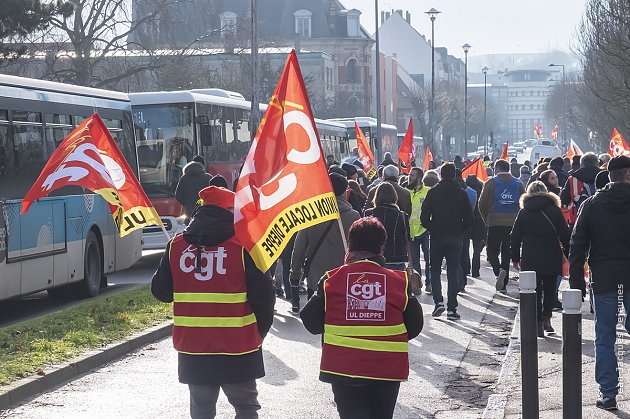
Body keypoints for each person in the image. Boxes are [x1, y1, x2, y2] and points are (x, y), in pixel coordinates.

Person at [151, 186, 275, 419]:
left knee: (202, 410)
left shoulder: (176, 246)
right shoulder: (245, 245)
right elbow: (265, 296)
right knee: (246, 406)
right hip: (238, 344)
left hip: (194, 346)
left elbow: (161, 292)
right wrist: (260, 333)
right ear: (228, 210)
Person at [300, 216, 424, 419]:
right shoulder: (398, 281)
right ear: (381, 247)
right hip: (386, 370)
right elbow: (415, 325)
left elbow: (311, 322)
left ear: (350, 244)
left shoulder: (331, 279)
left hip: (343, 370)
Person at [569, 155, 630, 411]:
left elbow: (577, 243)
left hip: (604, 277)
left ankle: (608, 393)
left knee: (604, 337)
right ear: (627, 175)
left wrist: (576, 282)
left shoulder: (592, 204)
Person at [289, 173, 360, 312]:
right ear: (345, 192)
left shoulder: (312, 215)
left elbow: (299, 248)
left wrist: (295, 275)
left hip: (316, 279)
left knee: (319, 322)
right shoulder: (354, 216)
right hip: (346, 280)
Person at [510, 181, 570, 337]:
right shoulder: (555, 210)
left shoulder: (524, 212)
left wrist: (515, 258)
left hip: (531, 256)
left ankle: (537, 322)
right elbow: (565, 234)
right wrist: (569, 255)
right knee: (550, 288)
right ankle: (547, 318)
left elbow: (515, 237)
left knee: (534, 290)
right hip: (552, 254)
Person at [420, 162, 473, 320]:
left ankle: (438, 302)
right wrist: (459, 228)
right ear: (454, 175)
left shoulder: (433, 193)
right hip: (455, 236)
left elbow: (424, 217)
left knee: (434, 269)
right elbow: (470, 218)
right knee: (452, 271)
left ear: (441, 175)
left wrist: (432, 227)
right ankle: (452, 308)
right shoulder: (461, 193)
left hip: (436, 236)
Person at [479, 159, 525, 293]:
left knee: (492, 251)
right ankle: (503, 285)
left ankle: (498, 270)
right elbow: (524, 202)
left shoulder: (490, 182)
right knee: (506, 253)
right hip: (513, 224)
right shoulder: (518, 183)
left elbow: (481, 204)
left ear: (497, 168)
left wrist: (487, 218)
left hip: (494, 223)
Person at [364, 182, 409, 270]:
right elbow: (406, 236)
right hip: (397, 256)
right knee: (396, 283)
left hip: (374, 256)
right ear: (394, 196)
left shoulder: (369, 213)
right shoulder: (402, 215)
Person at [407, 167, 431, 293]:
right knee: (414, 261)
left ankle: (429, 284)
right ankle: (417, 284)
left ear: (419, 178)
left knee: (429, 259)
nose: (409, 177)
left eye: (412, 175)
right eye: (409, 174)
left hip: (426, 231)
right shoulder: (405, 191)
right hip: (411, 232)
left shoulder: (428, 192)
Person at [560, 152, 599, 228]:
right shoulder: (604, 177)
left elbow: (564, 199)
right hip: (600, 220)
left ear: (581, 165)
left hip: (577, 219)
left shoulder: (572, 179)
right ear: (597, 164)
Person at [456, 169, 478, 293]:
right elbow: (473, 210)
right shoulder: (472, 192)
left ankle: (459, 281)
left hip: (454, 226)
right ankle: (463, 278)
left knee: (455, 255)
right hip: (467, 226)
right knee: (464, 252)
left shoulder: (453, 191)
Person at [466, 175, 487, 278]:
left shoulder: (467, 192)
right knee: (477, 248)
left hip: (469, 221)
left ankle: (467, 268)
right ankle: (475, 271)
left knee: (465, 247)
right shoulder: (482, 191)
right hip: (480, 222)